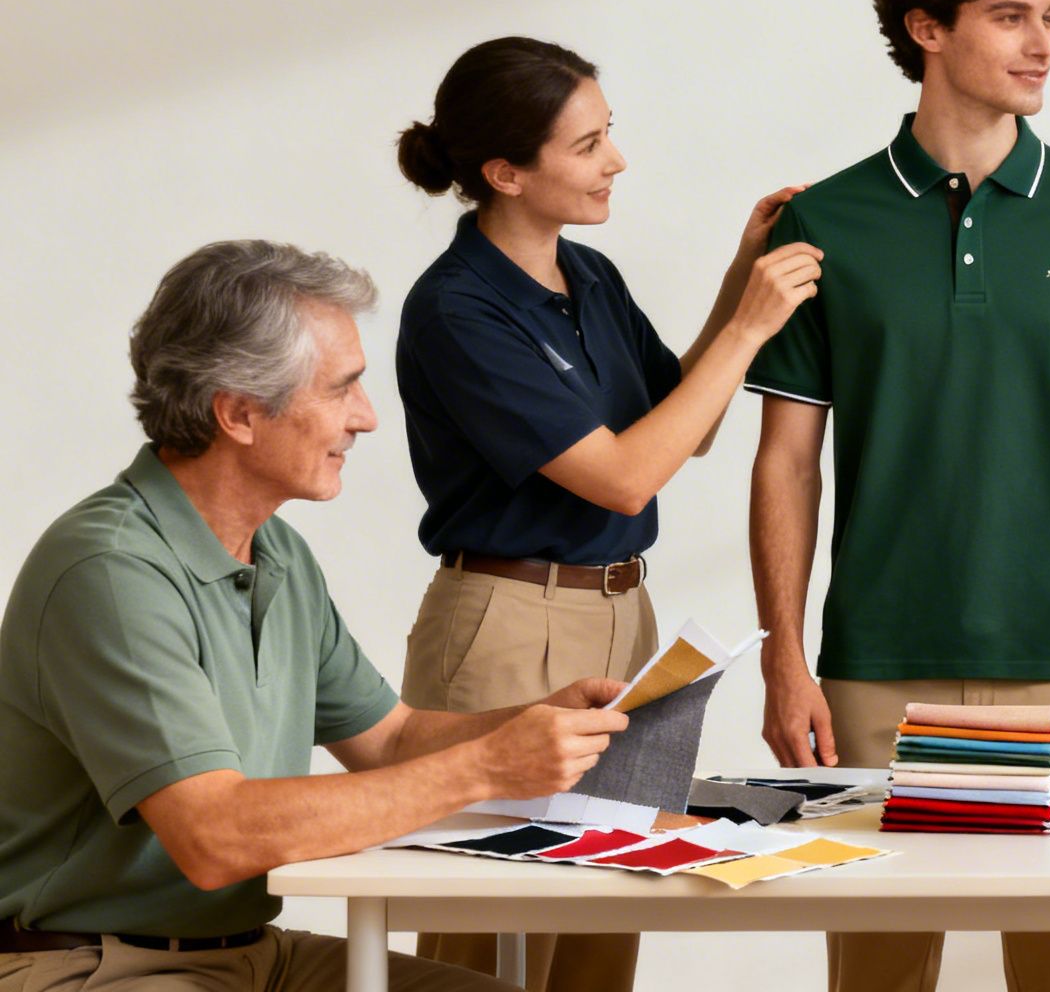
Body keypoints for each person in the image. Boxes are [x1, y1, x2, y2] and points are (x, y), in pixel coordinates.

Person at [746, 0, 1050, 992]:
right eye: (1009, 17)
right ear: (927, 28)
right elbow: (785, 463)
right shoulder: (824, 222)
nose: (1042, 44)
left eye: (1049, 18)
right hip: (873, 666)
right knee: (877, 974)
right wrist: (783, 653)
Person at [0, 241, 630, 992]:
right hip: (85, 964)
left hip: (250, 954)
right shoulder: (110, 573)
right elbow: (213, 835)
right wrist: (491, 766)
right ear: (237, 413)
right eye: (341, 389)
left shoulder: (278, 555)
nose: (365, 418)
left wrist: (537, 720)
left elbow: (390, 739)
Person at [392, 36, 820, 991]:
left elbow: (685, 429)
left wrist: (739, 277)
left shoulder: (588, 276)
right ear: (505, 172)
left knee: (606, 910)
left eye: (609, 134)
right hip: (509, 624)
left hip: (624, 620)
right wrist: (750, 322)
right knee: (488, 935)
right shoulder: (457, 310)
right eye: (587, 145)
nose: (615, 160)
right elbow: (626, 478)